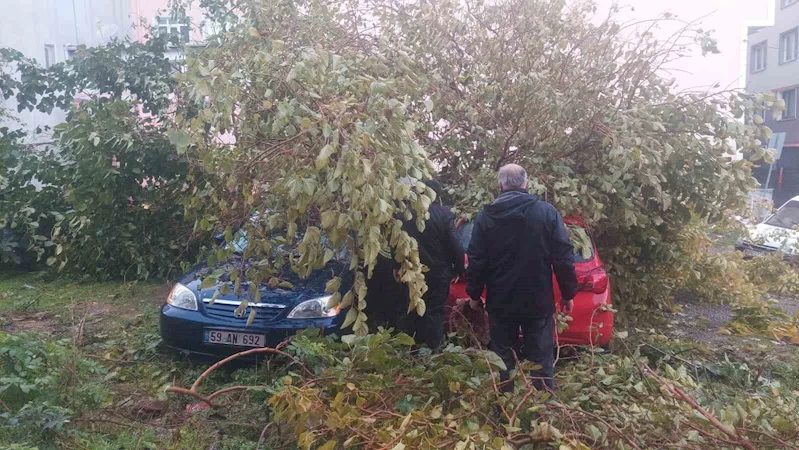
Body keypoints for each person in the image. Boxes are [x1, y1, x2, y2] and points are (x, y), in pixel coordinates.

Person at [465, 164, 577, 391]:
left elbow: (477, 260)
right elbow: (563, 257)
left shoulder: (486, 217)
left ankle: (505, 409)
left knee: (503, 359)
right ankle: (543, 414)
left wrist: (474, 295)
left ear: (500, 185)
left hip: (501, 302)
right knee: (541, 359)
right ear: (526, 184)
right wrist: (568, 293)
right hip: (537, 301)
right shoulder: (547, 213)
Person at [402, 179, 465, 350]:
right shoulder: (445, 215)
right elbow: (455, 246)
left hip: (411, 273)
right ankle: (432, 351)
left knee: (411, 310)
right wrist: (460, 269)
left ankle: (410, 351)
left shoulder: (405, 214)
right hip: (438, 274)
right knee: (434, 312)